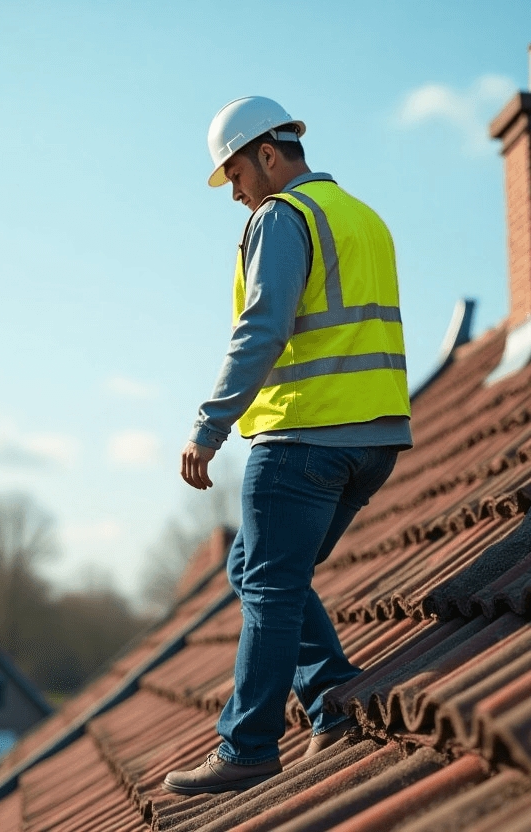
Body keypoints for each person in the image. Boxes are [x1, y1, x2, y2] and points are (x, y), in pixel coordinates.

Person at [162, 97, 412, 796]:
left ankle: (246, 746)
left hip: (302, 438)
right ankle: (330, 698)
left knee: (269, 586)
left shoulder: (282, 215)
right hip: (375, 441)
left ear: (268, 155)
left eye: (236, 174)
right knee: (256, 568)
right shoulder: (362, 216)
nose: (235, 193)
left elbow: (262, 329)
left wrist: (208, 427)